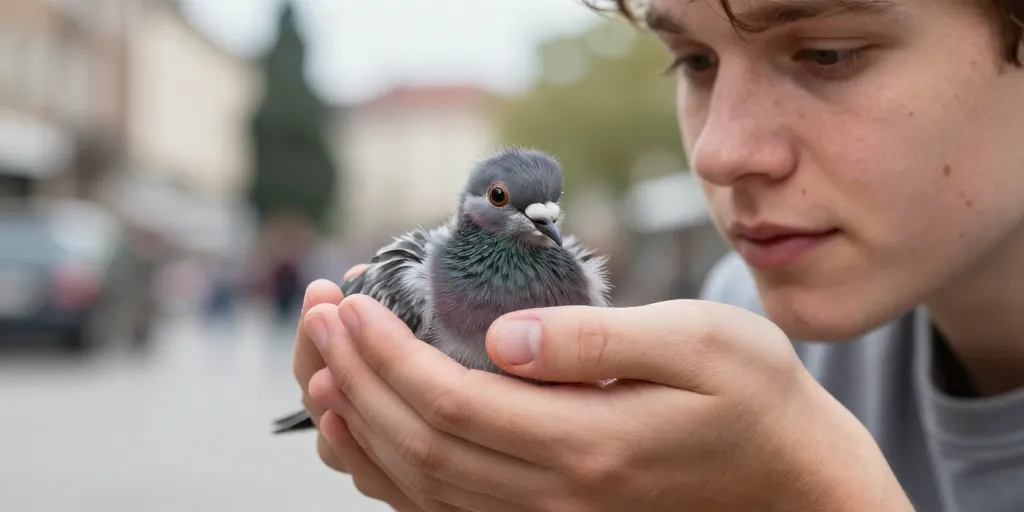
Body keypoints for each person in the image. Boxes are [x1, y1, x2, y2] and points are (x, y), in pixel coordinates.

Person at [289, 0, 1024, 510]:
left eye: (829, 53)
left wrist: (820, 493)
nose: (717, 153)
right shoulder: (745, 320)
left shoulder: (763, 364)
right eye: (695, 62)